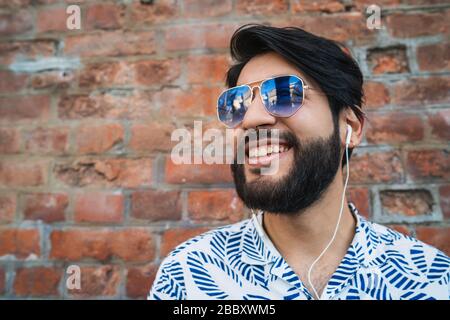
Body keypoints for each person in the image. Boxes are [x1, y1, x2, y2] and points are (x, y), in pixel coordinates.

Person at [148, 24, 449, 300]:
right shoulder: (190, 276)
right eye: (236, 104)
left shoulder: (432, 281)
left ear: (350, 127)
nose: (251, 119)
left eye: (283, 94)